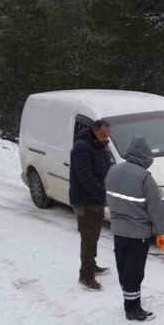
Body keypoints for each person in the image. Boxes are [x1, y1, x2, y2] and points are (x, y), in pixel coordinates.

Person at [105, 137, 164, 321]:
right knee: (135, 271)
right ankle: (133, 309)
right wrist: (161, 232)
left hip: (118, 231)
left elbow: (108, 197)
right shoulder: (144, 177)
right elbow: (155, 208)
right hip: (138, 234)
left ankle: (128, 301)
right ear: (145, 156)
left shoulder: (113, 171)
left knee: (124, 268)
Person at [70, 119, 113, 290]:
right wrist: (102, 194)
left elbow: (106, 167)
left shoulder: (99, 145)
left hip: (96, 199)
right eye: (103, 135)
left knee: (94, 234)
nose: (106, 139)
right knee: (88, 237)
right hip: (85, 200)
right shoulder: (82, 147)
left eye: (107, 136)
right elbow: (85, 176)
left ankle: (92, 265)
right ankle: (86, 275)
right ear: (94, 132)